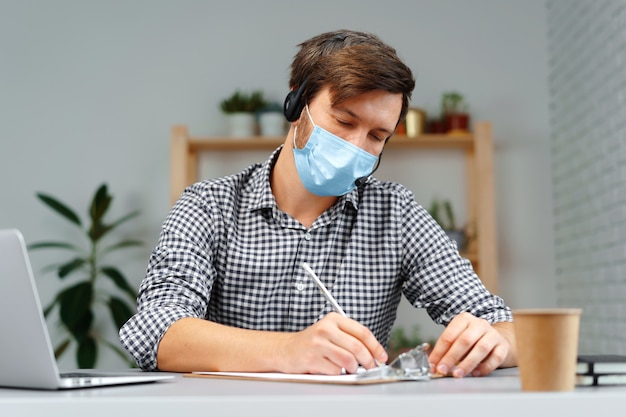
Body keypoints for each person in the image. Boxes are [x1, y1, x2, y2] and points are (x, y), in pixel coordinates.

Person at [120, 29, 517, 378]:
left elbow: (505, 328)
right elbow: (156, 330)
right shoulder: (207, 205)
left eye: (377, 136)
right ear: (296, 107)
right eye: (344, 122)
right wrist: (288, 351)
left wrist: (490, 341)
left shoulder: (396, 214)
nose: (356, 147)